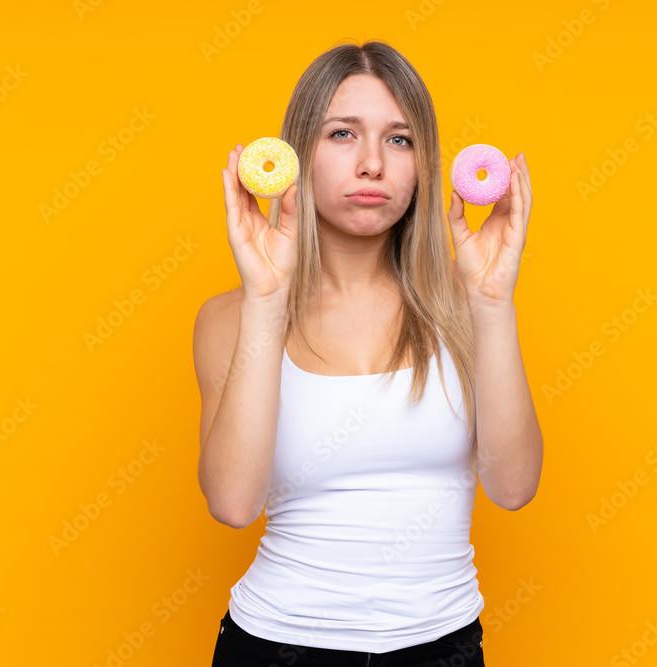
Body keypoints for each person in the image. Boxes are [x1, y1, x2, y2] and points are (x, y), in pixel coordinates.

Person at [194, 39, 543, 667]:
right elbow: (233, 504)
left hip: (442, 648)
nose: (373, 164)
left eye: (399, 139)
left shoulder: (467, 306)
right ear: (296, 154)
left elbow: (513, 487)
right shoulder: (230, 317)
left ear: (423, 165)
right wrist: (267, 301)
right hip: (277, 648)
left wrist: (492, 304)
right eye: (342, 134)